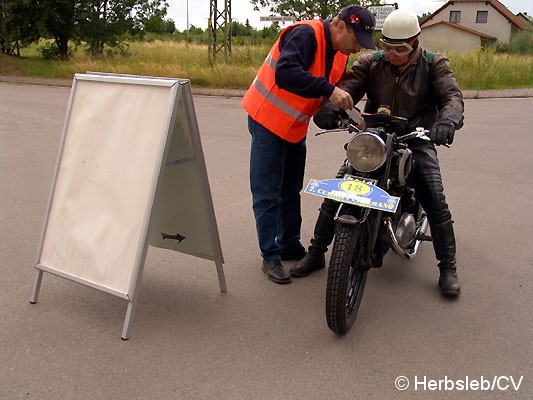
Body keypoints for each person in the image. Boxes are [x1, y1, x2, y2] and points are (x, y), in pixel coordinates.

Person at [290, 8, 464, 296]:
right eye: (386, 47)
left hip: (416, 137)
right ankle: (316, 251)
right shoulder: (371, 62)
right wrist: (330, 109)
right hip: (374, 137)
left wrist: (447, 122)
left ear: (415, 44)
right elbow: (348, 86)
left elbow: (451, 96)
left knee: (434, 197)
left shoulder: (435, 64)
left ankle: (448, 268)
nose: (391, 54)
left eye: (399, 49)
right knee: (338, 190)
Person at [242, 6, 376, 284]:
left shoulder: (339, 53)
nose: (356, 48)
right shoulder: (305, 34)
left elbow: (323, 92)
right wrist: (329, 91)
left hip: (293, 126)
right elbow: (286, 73)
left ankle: (290, 243)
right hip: (267, 120)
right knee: (268, 194)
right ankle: (270, 255)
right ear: (340, 27)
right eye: (356, 41)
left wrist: (340, 112)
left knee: (291, 189)